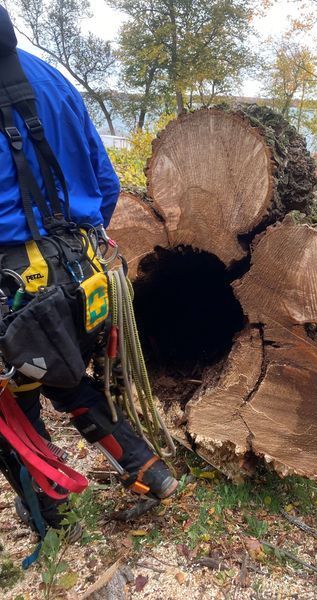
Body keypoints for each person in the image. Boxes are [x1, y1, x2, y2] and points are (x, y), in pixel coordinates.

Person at [0, 5, 178, 541]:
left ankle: (53, 522)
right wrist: (73, 248)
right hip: (84, 277)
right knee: (67, 377)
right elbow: (104, 181)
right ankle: (150, 471)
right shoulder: (51, 76)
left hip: (15, 292)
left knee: (13, 409)